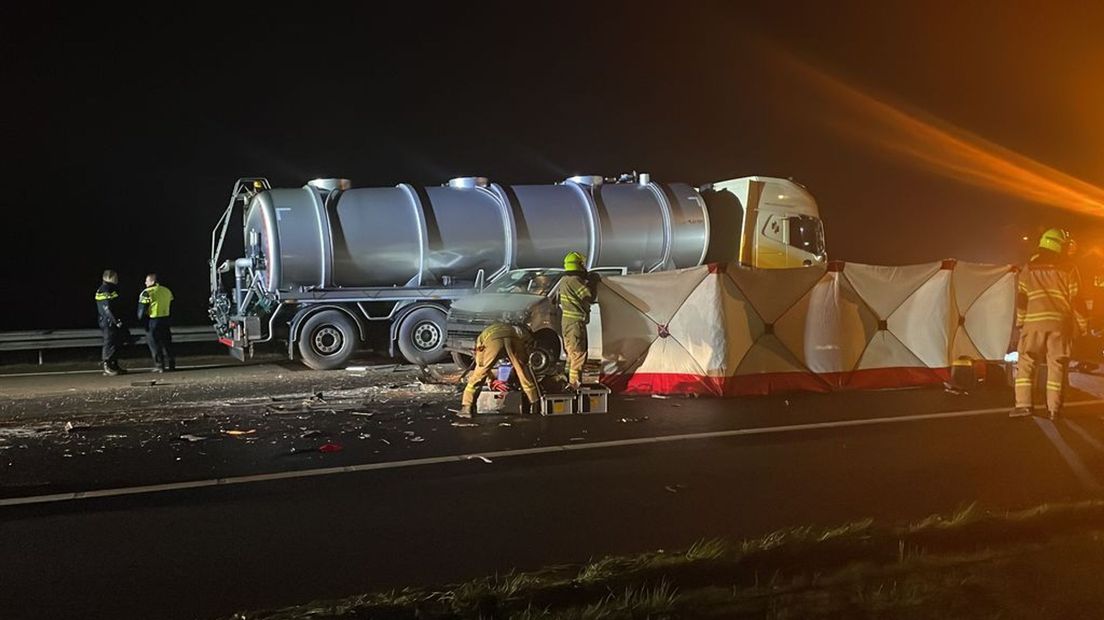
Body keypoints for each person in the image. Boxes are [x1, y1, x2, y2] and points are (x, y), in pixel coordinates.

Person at [1010, 228, 1089, 420]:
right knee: (1057, 365)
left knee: (1027, 363)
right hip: (1060, 326)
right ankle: (1054, 409)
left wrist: (1020, 322)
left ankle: (1024, 405)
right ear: (1057, 245)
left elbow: (1022, 300)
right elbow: (1077, 300)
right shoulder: (1069, 269)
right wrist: (1083, 325)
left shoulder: (1027, 269)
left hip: (1033, 325)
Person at [459, 322, 540, 416]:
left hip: (494, 342)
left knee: (478, 375)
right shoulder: (510, 327)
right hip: (513, 338)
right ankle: (534, 403)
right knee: (523, 371)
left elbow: (482, 364)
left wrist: (490, 379)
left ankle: (466, 407)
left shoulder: (480, 340)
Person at [558, 251, 596, 389]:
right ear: (579, 265)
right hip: (575, 323)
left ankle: (567, 379)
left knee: (571, 354)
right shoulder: (574, 281)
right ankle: (574, 384)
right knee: (579, 354)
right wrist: (592, 282)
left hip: (567, 323)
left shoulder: (564, 281)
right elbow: (589, 297)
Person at [138, 273, 175, 372]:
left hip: (153, 320)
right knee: (167, 343)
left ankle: (159, 366)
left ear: (152, 281)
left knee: (154, 344)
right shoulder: (167, 291)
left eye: (147, 280)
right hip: (165, 319)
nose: (145, 283)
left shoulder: (146, 292)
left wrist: (141, 321)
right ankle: (172, 364)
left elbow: (141, 311)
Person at [95, 269, 127, 376]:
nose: (117, 279)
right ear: (109, 278)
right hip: (108, 321)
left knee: (116, 343)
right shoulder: (105, 289)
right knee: (109, 343)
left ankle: (114, 365)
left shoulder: (111, 288)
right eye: (115, 277)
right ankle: (107, 366)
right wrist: (115, 321)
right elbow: (107, 308)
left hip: (111, 320)